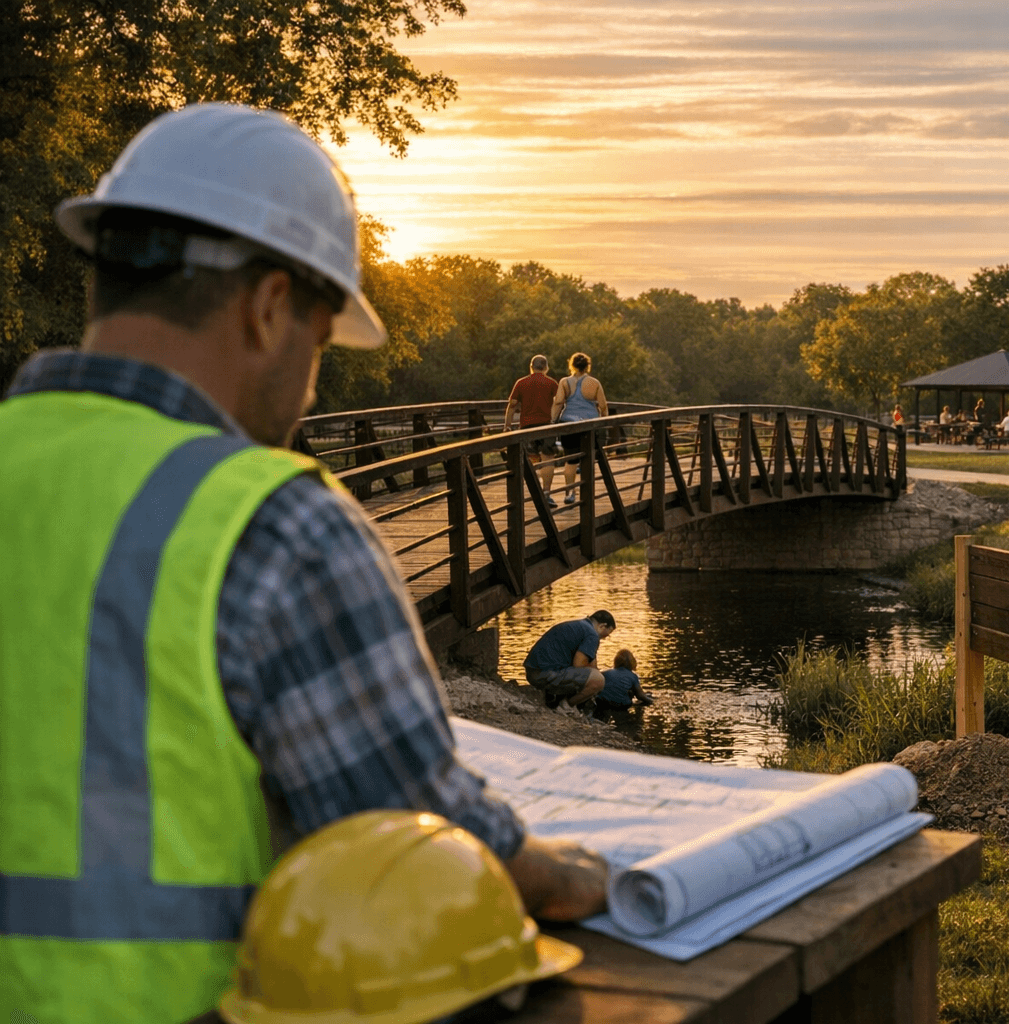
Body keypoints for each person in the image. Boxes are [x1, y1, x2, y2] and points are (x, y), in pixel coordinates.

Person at [0, 103, 605, 1024]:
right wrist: (560, 873)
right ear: (272, 305)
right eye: (320, 346)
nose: (309, 384)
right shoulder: (268, 521)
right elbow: (412, 827)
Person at [524, 610, 616, 714]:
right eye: (607, 634)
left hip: (533, 671)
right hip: (543, 675)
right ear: (602, 626)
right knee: (598, 680)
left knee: (592, 675)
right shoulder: (592, 635)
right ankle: (566, 706)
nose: (605, 638)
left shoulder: (579, 626)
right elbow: (579, 664)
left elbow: (591, 663)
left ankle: (554, 696)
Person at [549, 351, 608, 505]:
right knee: (589, 458)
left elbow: (558, 402)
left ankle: (570, 493)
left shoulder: (564, 382)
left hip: (569, 423)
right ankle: (587, 493)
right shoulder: (594, 383)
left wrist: (553, 421)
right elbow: (603, 405)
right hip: (590, 424)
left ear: (572, 365)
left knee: (570, 460)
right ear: (587, 366)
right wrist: (604, 421)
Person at [505, 353, 561, 506]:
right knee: (548, 458)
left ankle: (534, 493)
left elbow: (512, 406)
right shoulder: (551, 383)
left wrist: (507, 426)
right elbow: (558, 403)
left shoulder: (521, 382)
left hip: (527, 427)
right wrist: (554, 419)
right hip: (546, 427)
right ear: (546, 368)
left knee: (531, 460)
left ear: (531, 367)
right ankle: (546, 493)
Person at [594, 648, 654, 719]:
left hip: (602, 703)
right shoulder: (633, 676)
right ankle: (637, 720)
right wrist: (652, 702)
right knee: (639, 699)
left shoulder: (605, 673)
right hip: (621, 705)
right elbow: (640, 696)